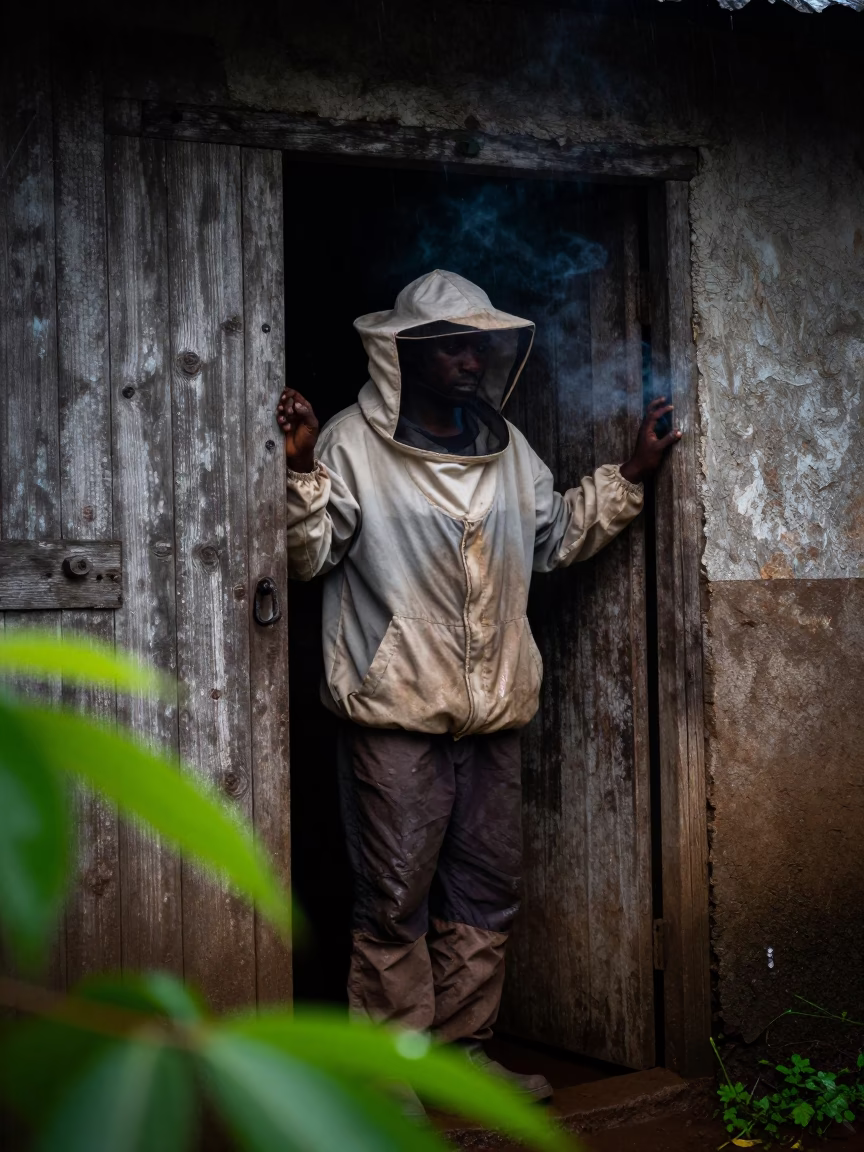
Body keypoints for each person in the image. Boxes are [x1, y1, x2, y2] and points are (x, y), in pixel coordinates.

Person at [278, 270, 680, 1104]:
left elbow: (555, 537)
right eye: (452, 346)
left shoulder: (505, 443)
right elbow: (310, 558)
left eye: (480, 345)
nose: (470, 359)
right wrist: (304, 467)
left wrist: (632, 476)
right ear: (406, 356)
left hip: (494, 713)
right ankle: (392, 1079)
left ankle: (463, 1059)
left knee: (484, 889)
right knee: (395, 897)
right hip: (397, 713)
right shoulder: (352, 442)